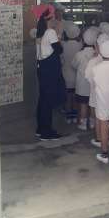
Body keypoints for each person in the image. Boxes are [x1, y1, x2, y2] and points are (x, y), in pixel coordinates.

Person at [36, 9, 66, 141]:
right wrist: (59, 35)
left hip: (42, 69)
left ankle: (40, 129)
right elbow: (59, 50)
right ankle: (46, 132)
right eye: (53, 18)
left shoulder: (40, 32)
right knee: (48, 101)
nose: (55, 20)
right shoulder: (50, 32)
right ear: (49, 20)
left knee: (43, 99)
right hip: (50, 70)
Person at [92, 39, 109, 164]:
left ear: (101, 52)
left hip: (102, 101)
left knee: (104, 126)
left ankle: (104, 153)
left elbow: (92, 82)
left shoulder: (96, 68)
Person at [72, 28, 99, 131]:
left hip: (82, 84)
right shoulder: (97, 55)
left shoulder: (79, 54)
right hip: (93, 85)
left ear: (83, 40)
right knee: (92, 105)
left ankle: (83, 124)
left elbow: (73, 65)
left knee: (83, 104)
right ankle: (92, 123)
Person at [85, 33, 109, 143]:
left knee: (98, 118)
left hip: (96, 93)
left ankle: (99, 139)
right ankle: (108, 139)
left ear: (97, 46)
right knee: (108, 118)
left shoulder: (93, 61)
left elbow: (88, 77)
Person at [61, 21, 83, 122]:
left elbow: (61, 60)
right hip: (77, 76)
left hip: (66, 74)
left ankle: (68, 115)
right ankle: (75, 115)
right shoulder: (80, 45)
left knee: (67, 96)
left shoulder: (63, 45)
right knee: (75, 96)